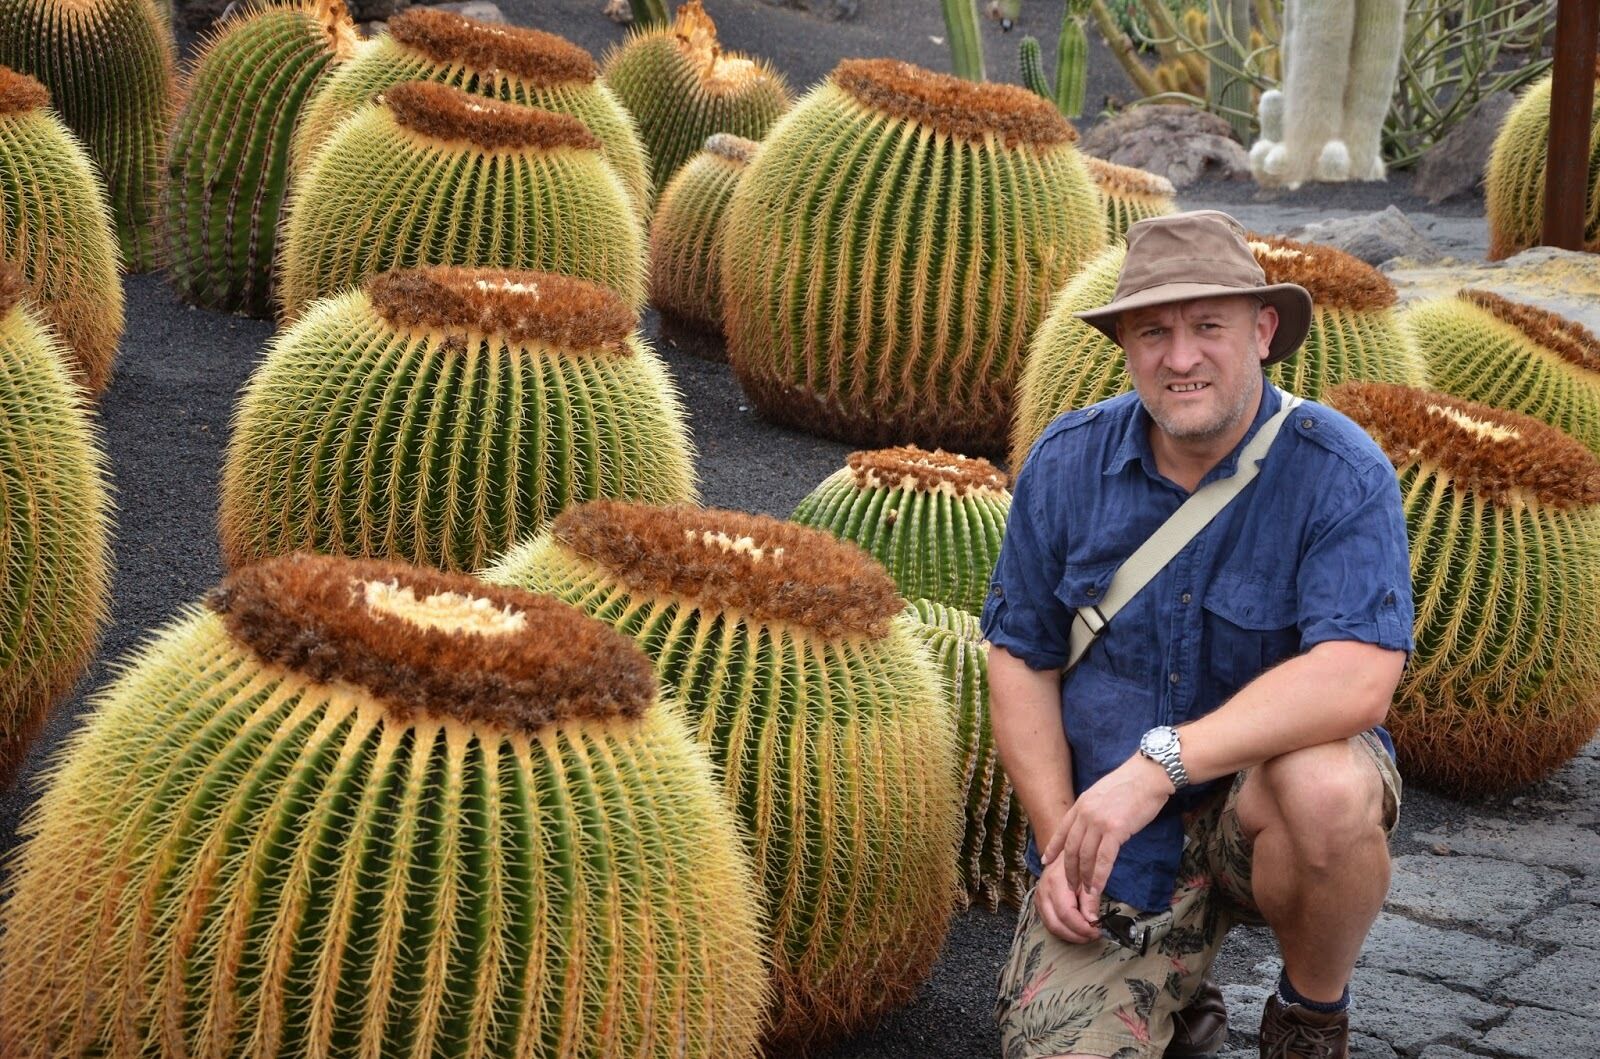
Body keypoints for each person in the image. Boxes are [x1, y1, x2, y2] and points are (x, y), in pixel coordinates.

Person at [982, 210, 1411, 1059]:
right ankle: (1181, 992)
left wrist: (1159, 764)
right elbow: (1020, 657)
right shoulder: (1066, 464)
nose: (1180, 358)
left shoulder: (1340, 472)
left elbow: (1358, 677)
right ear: (1127, 347)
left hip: (1266, 814)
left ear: (1261, 331)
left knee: (1328, 787)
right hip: (1122, 846)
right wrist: (1060, 829)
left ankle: (1309, 1016)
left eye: (1206, 326)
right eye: (1154, 333)